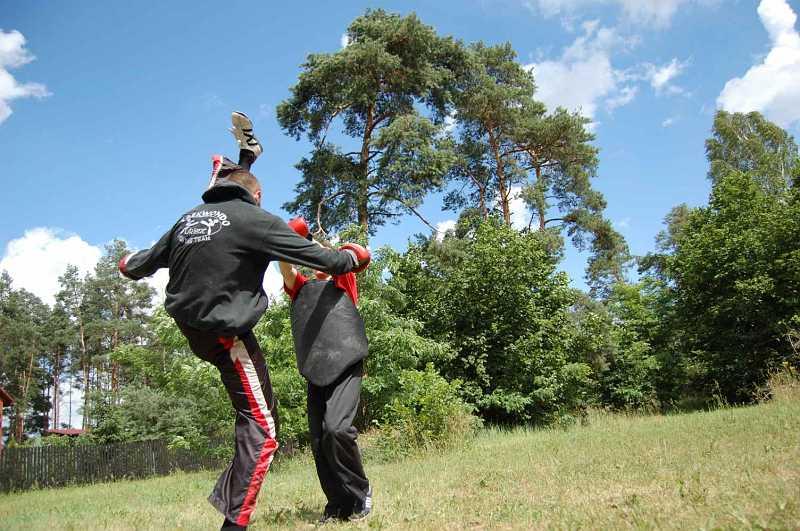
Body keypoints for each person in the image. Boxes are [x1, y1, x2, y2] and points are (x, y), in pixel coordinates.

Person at [117, 112, 370, 530]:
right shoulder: (270, 242)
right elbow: (310, 258)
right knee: (267, 429)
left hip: (195, 326)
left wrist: (128, 263)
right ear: (258, 196)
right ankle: (238, 522)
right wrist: (351, 256)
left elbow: (138, 263)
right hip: (228, 332)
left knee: (330, 430)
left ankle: (353, 498)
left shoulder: (187, 220)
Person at [278, 217, 372, 523]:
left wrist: (309, 241)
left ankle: (359, 494)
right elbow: (287, 270)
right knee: (319, 441)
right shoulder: (301, 289)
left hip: (345, 365)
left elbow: (334, 260)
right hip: (316, 369)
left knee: (337, 430)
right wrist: (285, 242)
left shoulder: (343, 280)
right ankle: (337, 505)